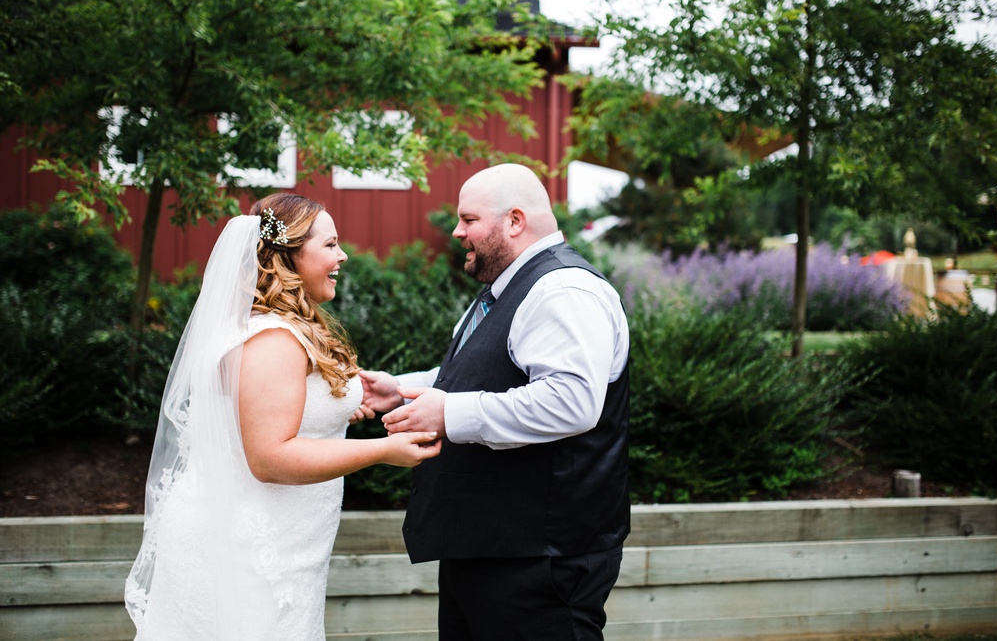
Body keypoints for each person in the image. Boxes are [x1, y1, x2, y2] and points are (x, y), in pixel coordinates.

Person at [124, 193, 440, 640]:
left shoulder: (272, 327)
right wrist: (384, 450)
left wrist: (336, 412)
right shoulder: (273, 339)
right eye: (330, 245)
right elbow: (269, 457)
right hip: (250, 551)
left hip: (282, 541)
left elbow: (269, 418)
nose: (342, 255)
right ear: (289, 256)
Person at [360, 163, 631, 640]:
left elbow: (570, 402)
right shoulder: (505, 290)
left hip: (541, 562)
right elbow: (482, 374)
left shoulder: (563, 290)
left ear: (514, 221)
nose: (456, 231)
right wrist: (400, 390)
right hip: (490, 549)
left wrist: (447, 414)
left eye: (469, 220)